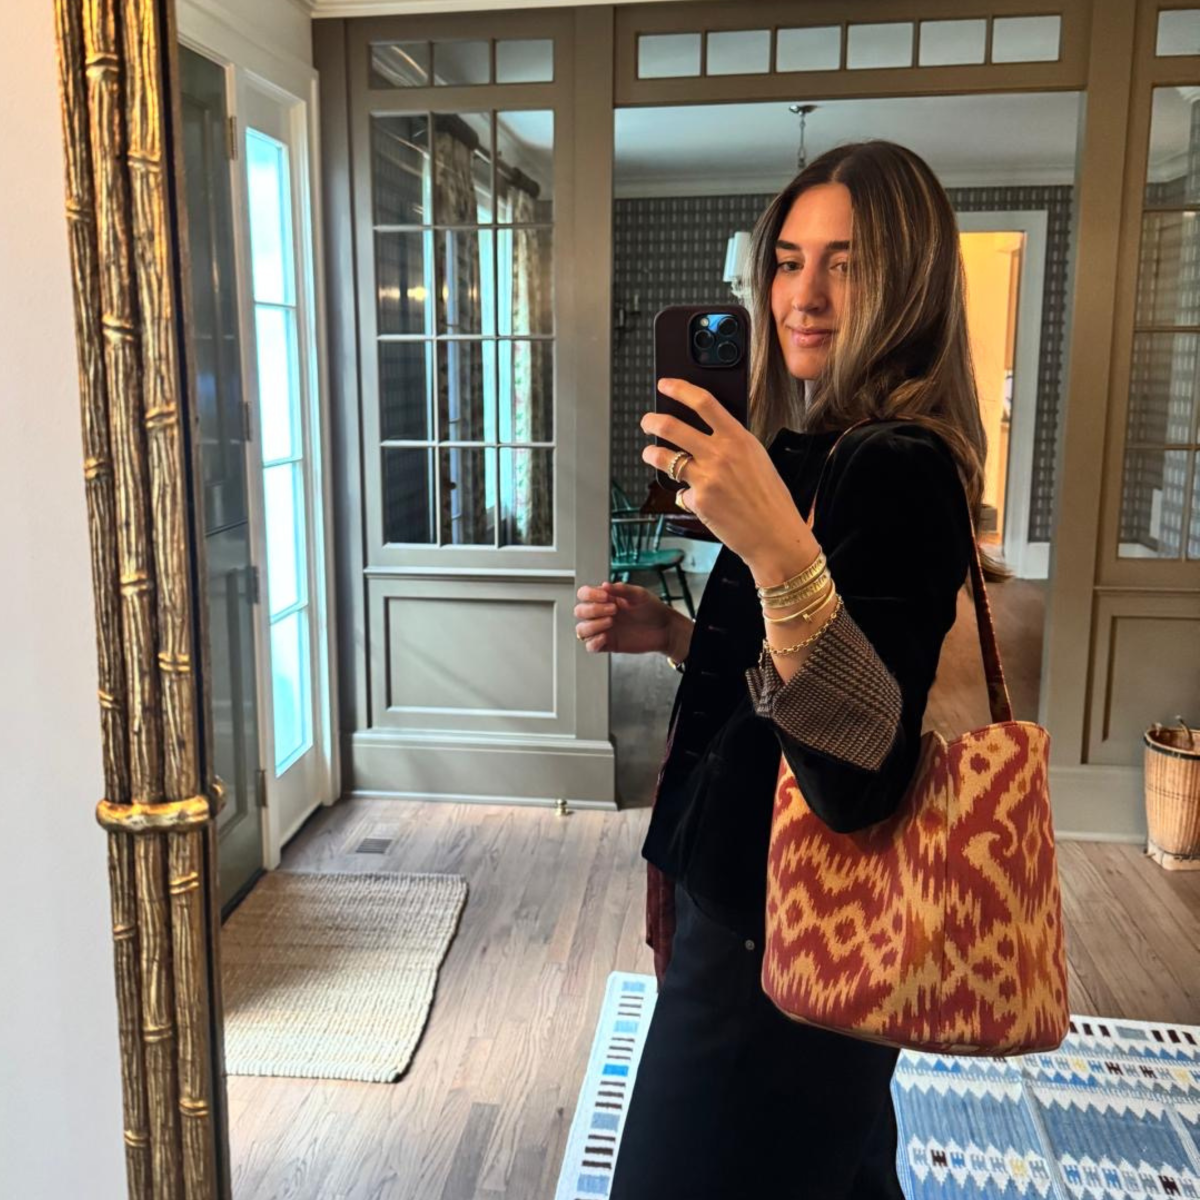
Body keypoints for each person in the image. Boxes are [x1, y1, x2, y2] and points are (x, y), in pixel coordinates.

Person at [574, 140, 1005, 1199]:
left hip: (792, 922)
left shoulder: (894, 466)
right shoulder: (821, 443)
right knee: (843, 1165)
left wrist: (773, 543)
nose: (800, 295)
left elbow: (860, 764)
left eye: (845, 263)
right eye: (786, 260)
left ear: (906, 281)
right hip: (773, 906)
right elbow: (798, 674)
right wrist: (676, 638)